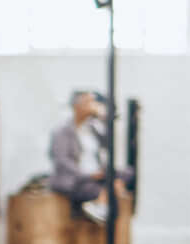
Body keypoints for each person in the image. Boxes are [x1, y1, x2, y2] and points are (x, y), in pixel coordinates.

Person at [49, 89, 131, 228]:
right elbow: (61, 160)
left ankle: (100, 202)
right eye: (89, 102)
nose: (93, 105)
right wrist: (88, 174)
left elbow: (108, 143)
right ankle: (103, 203)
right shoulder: (62, 131)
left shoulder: (92, 127)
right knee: (112, 197)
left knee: (128, 173)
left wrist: (104, 118)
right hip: (77, 179)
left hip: (96, 174)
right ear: (77, 106)